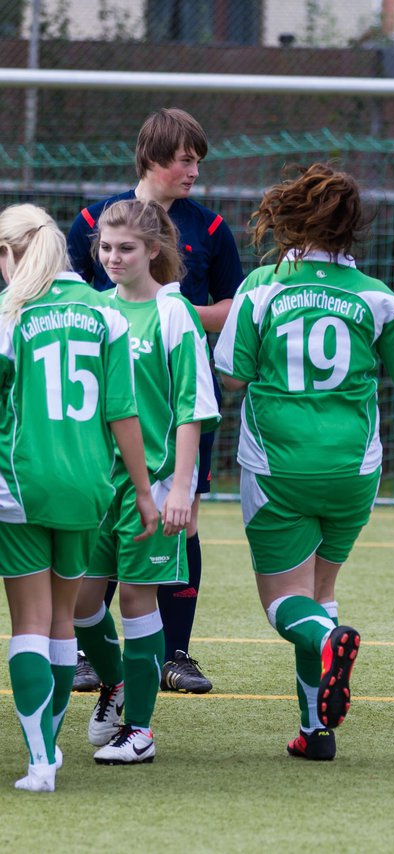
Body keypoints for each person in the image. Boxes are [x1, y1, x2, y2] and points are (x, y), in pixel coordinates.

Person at [213, 163, 394, 761]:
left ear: (289, 220)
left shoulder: (264, 286)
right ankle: (315, 732)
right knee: (320, 590)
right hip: (353, 469)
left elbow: (232, 377)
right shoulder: (377, 296)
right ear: (351, 230)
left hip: (278, 466)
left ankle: (328, 642)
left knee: (284, 604)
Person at [67, 107, 243, 695]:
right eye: (184, 158)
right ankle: (93, 653)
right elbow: (64, 300)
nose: (193, 169)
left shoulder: (210, 229)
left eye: (198, 159)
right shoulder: (95, 218)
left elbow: (232, 310)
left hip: (175, 408)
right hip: (103, 412)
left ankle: (176, 653)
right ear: (152, 157)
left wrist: (173, 318)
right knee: (102, 521)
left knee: (180, 521)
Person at [0, 203, 158, 790]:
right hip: (91, 487)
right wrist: (143, 492)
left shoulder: (10, 312)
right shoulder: (106, 314)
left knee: (30, 624)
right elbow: (123, 411)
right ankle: (51, 752)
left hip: (22, 486)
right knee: (62, 623)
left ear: (8, 254)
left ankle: (41, 761)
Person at [73, 199, 219, 765]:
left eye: (125, 247)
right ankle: (116, 684)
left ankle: (140, 729)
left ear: (152, 250)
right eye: (105, 248)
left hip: (154, 485)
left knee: (135, 599)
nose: (113, 257)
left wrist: (182, 487)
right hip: (98, 486)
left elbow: (191, 408)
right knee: (83, 605)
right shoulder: (98, 310)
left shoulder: (173, 312)